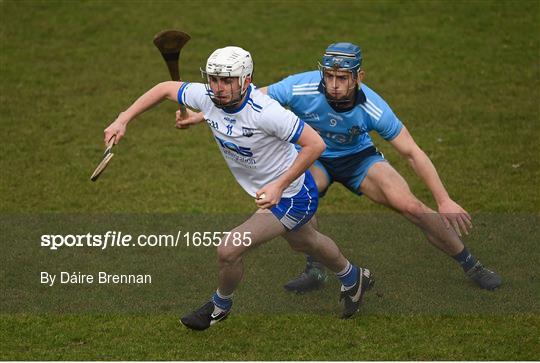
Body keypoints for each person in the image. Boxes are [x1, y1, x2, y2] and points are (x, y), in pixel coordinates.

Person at [176, 42, 502, 293]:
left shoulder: (373, 106)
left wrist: (443, 199)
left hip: (360, 160)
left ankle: (471, 265)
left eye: (342, 77)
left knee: (413, 207)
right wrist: (203, 114)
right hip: (313, 158)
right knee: (298, 196)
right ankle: (315, 268)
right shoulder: (300, 86)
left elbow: (413, 152)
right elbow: (249, 102)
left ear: (359, 76)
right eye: (329, 76)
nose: (333, 84)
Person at [104, 46, 373, 331]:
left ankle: (220, 305)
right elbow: (164, 88)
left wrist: (278, 186)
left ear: (246, 80)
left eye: (228, 80)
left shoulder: (266, 113)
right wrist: (123, 119)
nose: (219, 88)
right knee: (304, 241)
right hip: (272, 190)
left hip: (292, 195)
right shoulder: (207, 97)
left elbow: (315, 144)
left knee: (229, 249)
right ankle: (353, 276)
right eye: (214, 79)